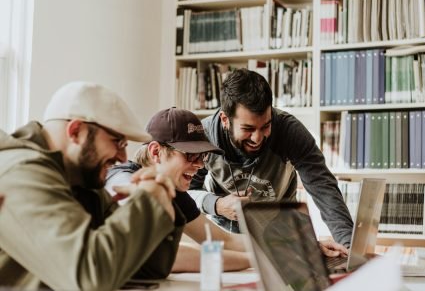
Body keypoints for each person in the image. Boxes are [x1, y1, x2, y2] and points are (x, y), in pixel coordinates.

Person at [0, 81, 184, 290]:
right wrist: (149, 201)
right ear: (76, 131)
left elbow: (147, 268)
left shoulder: (81, 180)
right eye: (117, 142)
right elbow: (90, 278)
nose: (123, 158)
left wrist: (160, 198)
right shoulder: (22, 174)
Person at [189, 68, 353, 253]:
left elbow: (323, 187)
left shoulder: (289, 131)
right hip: (226, 239)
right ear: (225, 119)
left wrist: (349, 247)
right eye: (248, 129)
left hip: (282, 236)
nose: (257, 138)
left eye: (265, 126)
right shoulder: (203, 136)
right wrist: (217, 205)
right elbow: (186, 193)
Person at [105, 107, 250, 272]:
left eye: (202, 156)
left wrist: (274, 246)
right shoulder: (121, 178)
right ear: (156, 152)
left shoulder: (173, 191)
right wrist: (254, 260)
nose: (200, 165)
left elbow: (223, 241)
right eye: (191, 155)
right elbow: (162, 254)